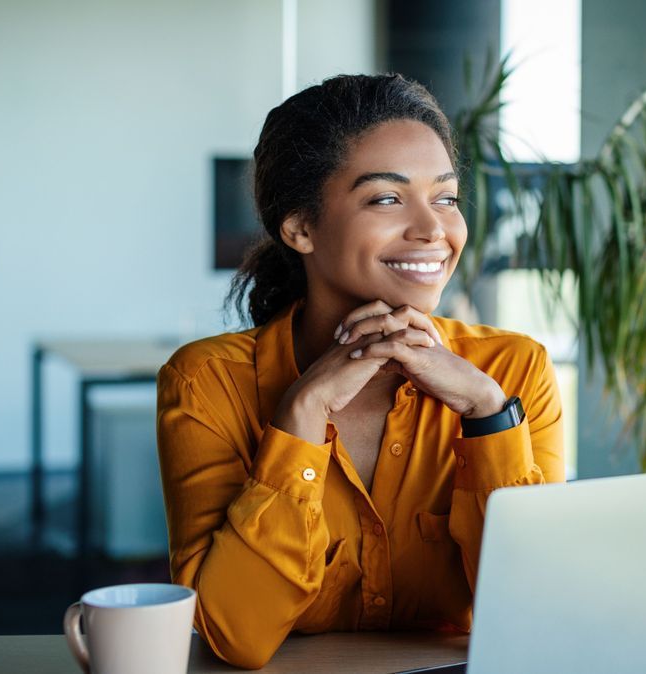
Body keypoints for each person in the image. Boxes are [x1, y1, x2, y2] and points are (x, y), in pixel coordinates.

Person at [156, 73, 565, 669]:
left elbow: (541, 614)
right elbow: (233, 635)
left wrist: (488, 416)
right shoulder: (206, 383)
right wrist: (300, 417)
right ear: (299, 227)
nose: (434, 230)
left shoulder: (510, 373)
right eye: (387, 198)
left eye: (445, 198)